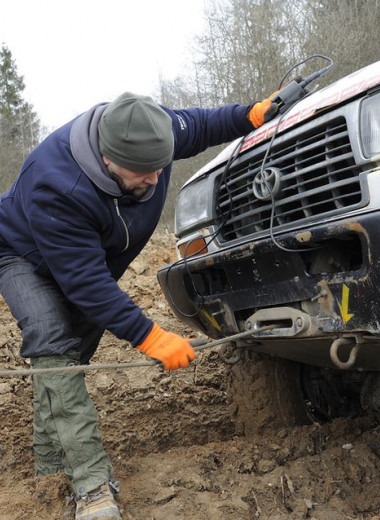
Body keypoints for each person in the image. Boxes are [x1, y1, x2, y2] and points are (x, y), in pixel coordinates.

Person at [0, 90, 279, 519]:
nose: (154, 180)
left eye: (159, 168)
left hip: (84, 261)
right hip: (21, 253)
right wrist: (149, 336)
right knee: (52, 338)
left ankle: (49, 466)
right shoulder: (56, 183)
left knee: (66, 360)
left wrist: (250, 115)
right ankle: (91, 485)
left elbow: (202, 126)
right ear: (108, 160)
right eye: (142, 173)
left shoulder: (151, 130)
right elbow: (87, 284)